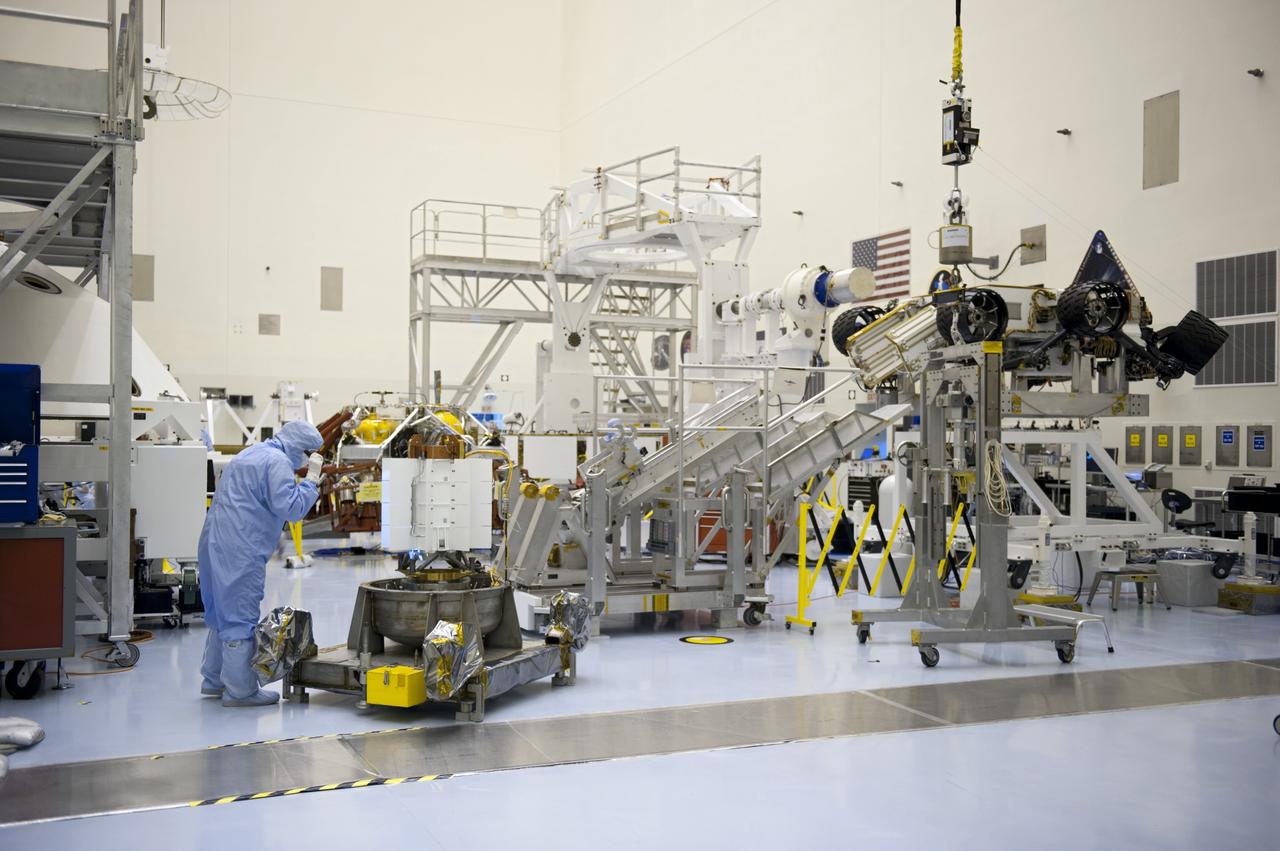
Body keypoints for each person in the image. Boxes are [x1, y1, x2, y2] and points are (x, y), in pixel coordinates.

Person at [198, 420, 324, 706]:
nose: (306, 462)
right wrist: (311, 480)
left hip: (214, 540)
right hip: (240, 546)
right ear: (301, 449)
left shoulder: (250, 453)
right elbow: (291, 509)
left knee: (220, 613)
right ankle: (240, 691)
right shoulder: (278, 462)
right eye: (309, 455)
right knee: (239, 616)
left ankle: (214, 679)